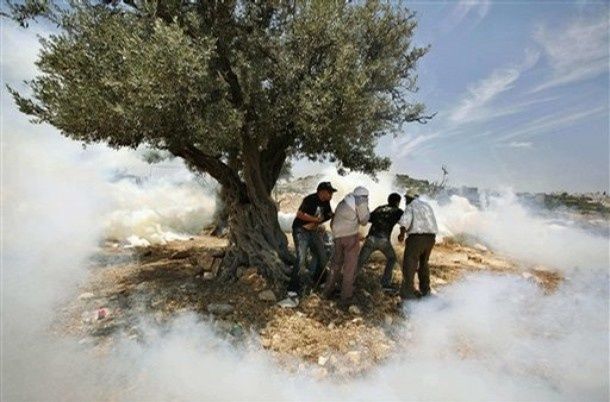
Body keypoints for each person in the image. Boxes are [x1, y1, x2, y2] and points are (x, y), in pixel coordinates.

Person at [322, 186, 370, 306]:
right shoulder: (360, 200)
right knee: (350, 267)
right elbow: (364, 220)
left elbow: (333, 221)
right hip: (350, 237)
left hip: (337, 236)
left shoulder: (344, 201)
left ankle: (327, 291)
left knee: (335, 264)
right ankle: (346, 297)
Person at [289, 181, 337, 292]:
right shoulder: (310, 199)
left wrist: (337, 216)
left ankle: (319, 282)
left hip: (313, 232)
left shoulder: (326, 202)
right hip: (301, 231)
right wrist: (315, 220)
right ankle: (293, 290)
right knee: (301, 259)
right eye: (330, 192)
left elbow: (329, 214)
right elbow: (299, 214)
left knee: (322, 257)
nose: (331, 195)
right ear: (322, 192)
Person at [397, 190, 438, 300]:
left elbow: (405, 221)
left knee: (410, 263)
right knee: (424, 263)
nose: (405, 201)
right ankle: (425, 290)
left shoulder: (411, 206)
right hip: (431, 238)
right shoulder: (427, 206)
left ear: (410, 198)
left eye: (406, 199)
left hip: (416, 238)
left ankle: (408, 291)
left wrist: (401, 234)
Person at [357, 193, 403, 289]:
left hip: (371, 239)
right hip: (383, 241)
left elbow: (368, 219)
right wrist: (401, 234)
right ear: (398, 202)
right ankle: (385, 283)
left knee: (360, 261)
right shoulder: (398, 211)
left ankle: (348, 280)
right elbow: (405, 223)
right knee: (392, 258)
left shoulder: (380, 208)